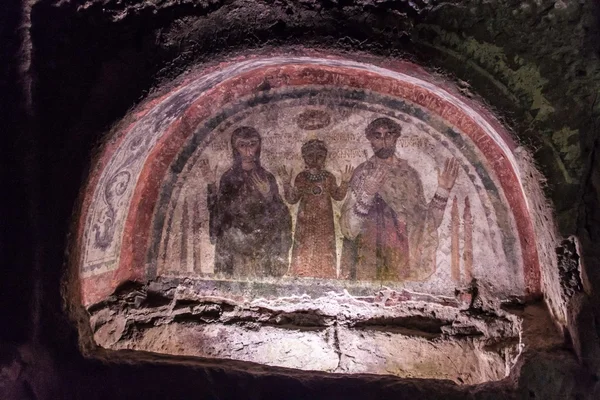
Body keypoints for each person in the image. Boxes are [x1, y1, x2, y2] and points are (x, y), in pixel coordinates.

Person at [339, 117, 459, 281]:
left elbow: (426, 224)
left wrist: (443, 190)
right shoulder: (363, 173)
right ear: (370, 140)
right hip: (371, 259)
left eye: (388, 135)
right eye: (378, 136)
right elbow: (349, 229)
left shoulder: (410, 174)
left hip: (402, 259)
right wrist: (368, 193)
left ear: (396, 138)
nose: (383, 140)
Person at [201, 126, 292, 278]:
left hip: (262, 243)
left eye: (252, 144)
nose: (248, 151)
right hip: (235, 243)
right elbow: (218, 212)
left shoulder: (267, 177)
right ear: (235, 148)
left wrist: (268, 195)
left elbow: (281, 214)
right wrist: (211, 185)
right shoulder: (228, 178)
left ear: (259, 146)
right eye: (242, 145)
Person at [279, 140, 353, 279]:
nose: (314, 159)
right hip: (305, 220)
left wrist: (345, 182)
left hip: (324, 221)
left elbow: (338, 196)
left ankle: (326, 275)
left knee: (324, 246)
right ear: (305, 158)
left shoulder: (328, 177)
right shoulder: (302, 177)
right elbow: (292, 199)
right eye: (310, 156)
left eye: (319, 156)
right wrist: (286, 183)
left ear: (324, 158)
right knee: (304, 245)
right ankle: (301, 274)